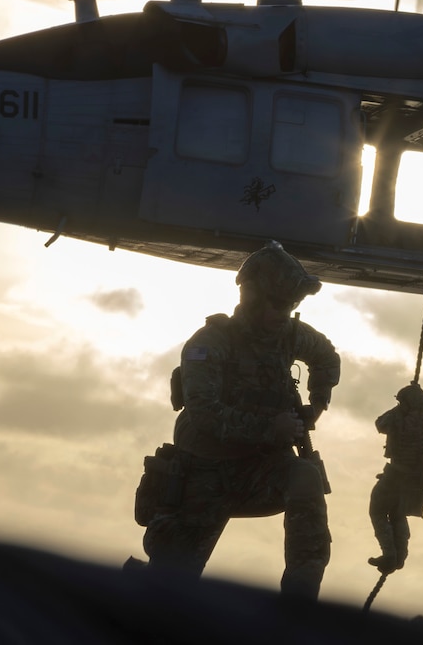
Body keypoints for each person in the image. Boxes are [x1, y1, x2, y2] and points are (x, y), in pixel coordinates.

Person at [133, 241, 340, 600]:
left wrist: (316, 405)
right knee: (167, 588)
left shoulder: (288, 336)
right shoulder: (211, 343)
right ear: (253, 297)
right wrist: (269, 428)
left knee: (304, 475)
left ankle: (300, 602)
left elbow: (326, 358)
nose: (283, 313)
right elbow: (203, 413)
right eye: (277, 304)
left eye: (290, 305)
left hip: (261, 471)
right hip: (205, 475)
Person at [367, 382, 423, 574]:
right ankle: (399, 556)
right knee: (398, 513)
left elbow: (380, 423)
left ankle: (390, 554)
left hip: (397, 473)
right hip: (418, 477)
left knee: (377, 510)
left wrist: (402, 407)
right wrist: (422, 400)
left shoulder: (398, 417)